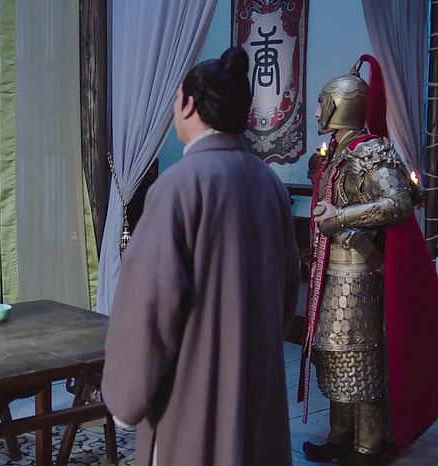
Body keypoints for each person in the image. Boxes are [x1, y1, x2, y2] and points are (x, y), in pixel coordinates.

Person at [102, 47, 300, 466]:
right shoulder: (269, 185)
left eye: (177, 98)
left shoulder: (179, 186)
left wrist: (126, 396)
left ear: (189, 105)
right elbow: (285, 293)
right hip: (256, 383)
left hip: (194, 394)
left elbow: (150, 303)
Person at [299, 55, 438, 466]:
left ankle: (368, 445)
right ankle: (340, 436)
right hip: (330, 270)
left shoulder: (370, 151)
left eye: (322, 104)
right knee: (334, 353)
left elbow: (398, 203)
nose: (318, 112)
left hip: (359, 272)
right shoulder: (336, 152)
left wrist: (341, 218)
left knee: (361, 356)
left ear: (339, 106)